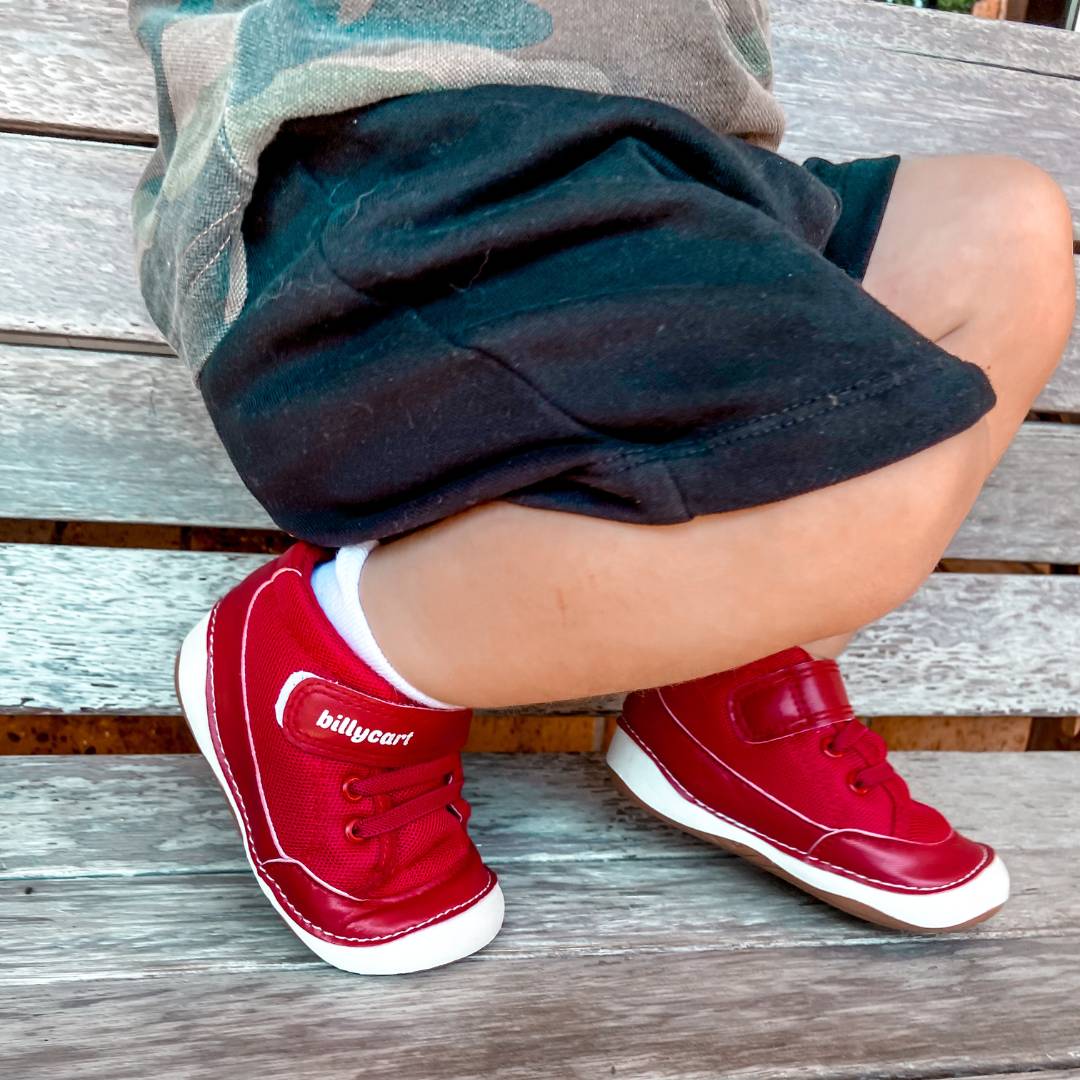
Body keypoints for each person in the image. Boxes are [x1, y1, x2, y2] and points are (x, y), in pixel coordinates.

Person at [133, 0, 1075, 974]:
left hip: (703, 176)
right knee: (853, 472)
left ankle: (730, 682)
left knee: (998, 226)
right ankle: (326, 662)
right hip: (409, 143)